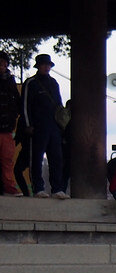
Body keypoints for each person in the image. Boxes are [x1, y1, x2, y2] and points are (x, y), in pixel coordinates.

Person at [22, 53, 68, 198]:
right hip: (38, 127)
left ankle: (57, 188)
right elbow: (25, 105)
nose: (47, 67)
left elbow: (59, 105)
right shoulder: (31, 83)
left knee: (56, 158)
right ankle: (38, 188)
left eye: (48, 65)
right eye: (44, 64)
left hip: (54, 127)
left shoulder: (54, 83)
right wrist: (28, 124)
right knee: (36, 158)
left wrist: (62, 126)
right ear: (38, 66)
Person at [0, 51, 21, 196]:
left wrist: (13, 115)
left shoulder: (10, 81)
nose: (1, 66)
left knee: (7, 161)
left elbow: (18, 102)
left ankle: (9, 188)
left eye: (3, 63)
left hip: (7, 129)